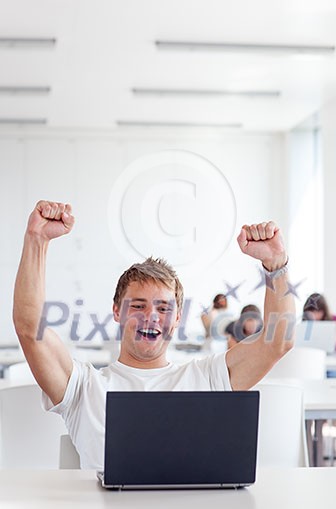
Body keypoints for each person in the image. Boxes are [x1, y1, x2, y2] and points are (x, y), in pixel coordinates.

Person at [13, 201, 295, 469]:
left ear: (176, 319)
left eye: (163, 307)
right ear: (116, 311)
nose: (150, 316)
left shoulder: (209, 378)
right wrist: (36, 239)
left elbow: (278, 341)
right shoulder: (84, 387)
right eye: (137, 305)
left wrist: (276, 265)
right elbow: (29, 327)